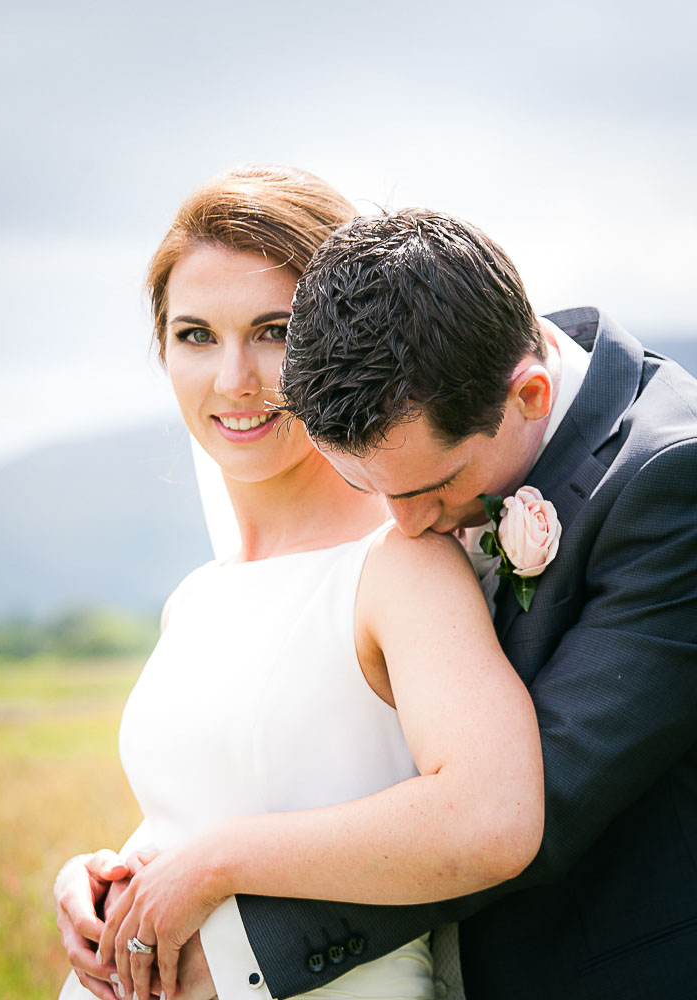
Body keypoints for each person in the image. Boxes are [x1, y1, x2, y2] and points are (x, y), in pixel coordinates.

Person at [53, 171, 545, 1000]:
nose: (235, 378)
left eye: (274, 331)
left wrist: (214, 863)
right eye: (195, 335)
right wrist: (110, 881)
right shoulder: (196, 597)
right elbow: (207, 801)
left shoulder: (401, 566)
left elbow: (489, 817)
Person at [265, 210, 697, 1000]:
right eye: (370, 491)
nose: (405, 528)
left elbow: (533, 808)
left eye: (433, 490)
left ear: (530, 394)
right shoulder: (441, 404)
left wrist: (243, 941)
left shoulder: (673, 484)